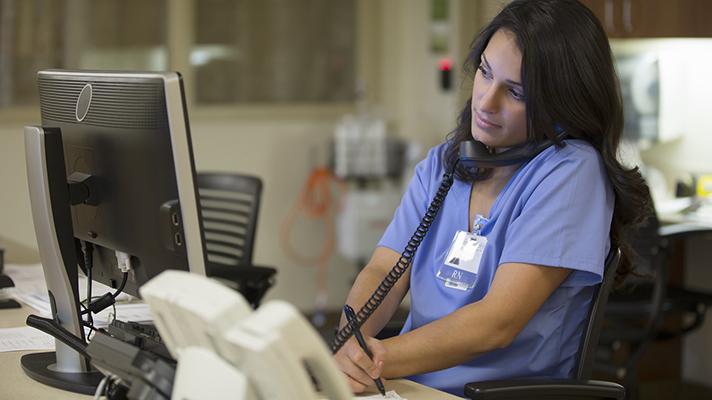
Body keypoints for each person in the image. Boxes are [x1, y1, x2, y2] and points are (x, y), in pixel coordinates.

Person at [333, 0, 652, 396]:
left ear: (562, 104)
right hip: (407, 383)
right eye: (485, 72)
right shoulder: (445, 163)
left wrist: (374, 360)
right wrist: (350, 342)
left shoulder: (571, 173)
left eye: (515, 93)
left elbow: (496, 323)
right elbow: (383, 270)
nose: (485, 101)